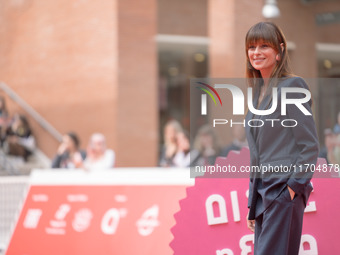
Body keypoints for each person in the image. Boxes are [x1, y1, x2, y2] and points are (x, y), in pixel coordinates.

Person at [244, 22, 319, 255]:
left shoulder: (292, 87)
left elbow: (309, 146)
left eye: (264, 46)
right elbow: (258, 155)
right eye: (251, 46)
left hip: (282, 193)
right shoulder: (257, 96)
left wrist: (292, 189)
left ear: (279, 51)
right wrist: (253, 203)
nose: (256, 52)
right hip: (264, 197)